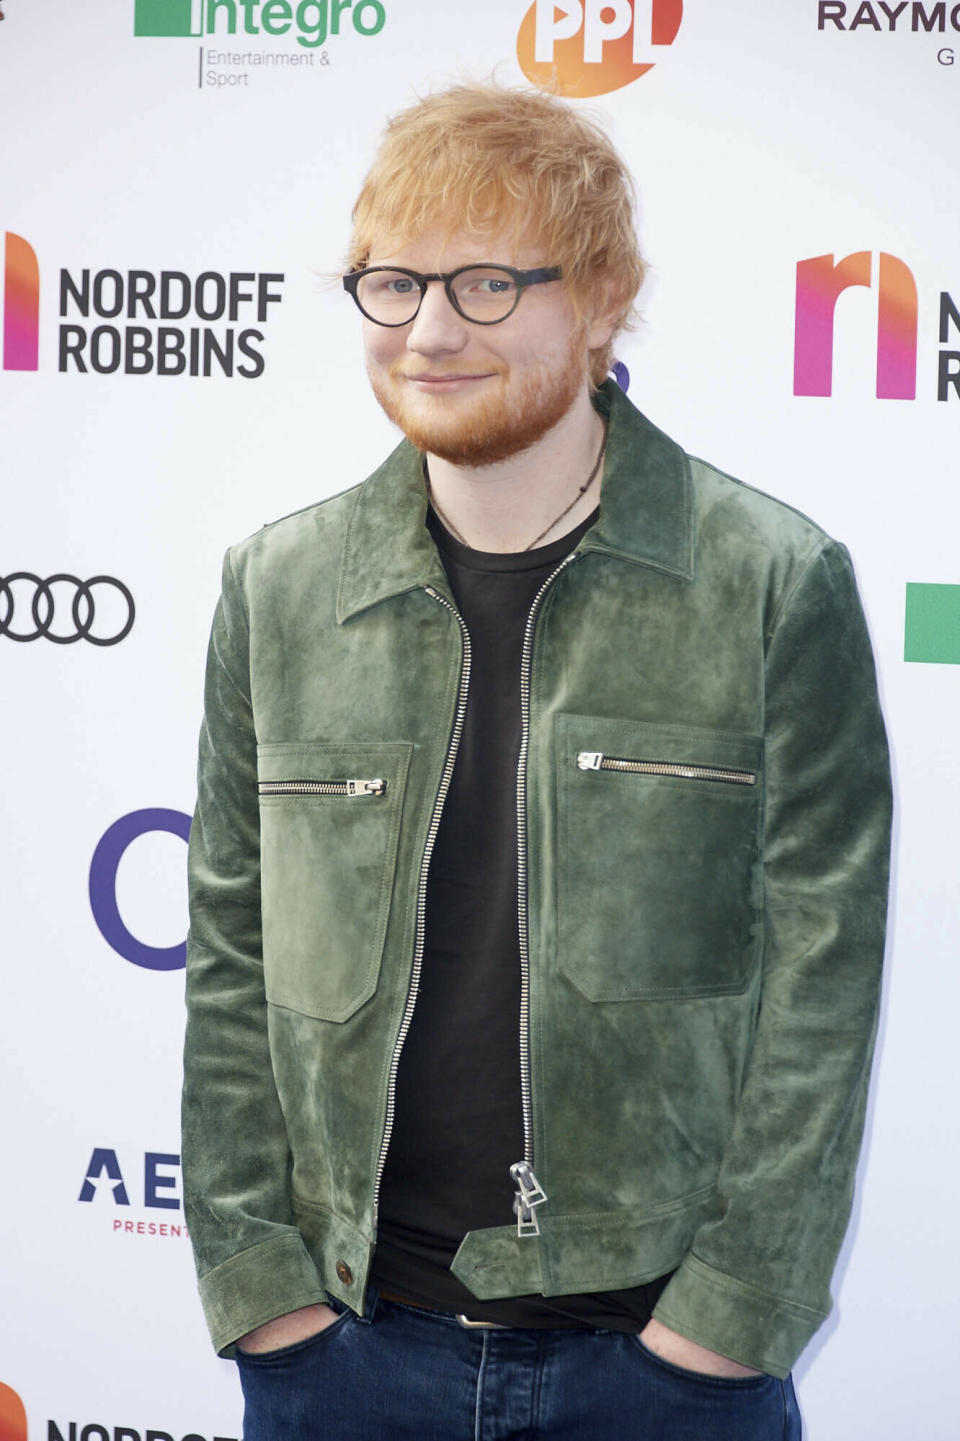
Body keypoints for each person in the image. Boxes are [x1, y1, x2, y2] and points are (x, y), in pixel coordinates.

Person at [181, 83, 892, 1440]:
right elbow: (230, 955)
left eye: (491, 282)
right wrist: (261, 1288)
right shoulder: (277, 591)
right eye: (393, 282)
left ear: (606, 301)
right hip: (345, 1358)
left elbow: (824, 986)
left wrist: (724, 1328)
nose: (432, 329)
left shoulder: (769, 583)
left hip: (657, 1371)